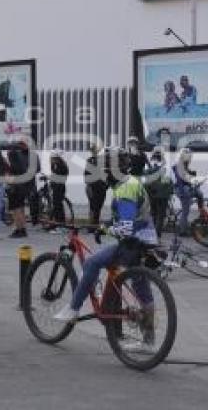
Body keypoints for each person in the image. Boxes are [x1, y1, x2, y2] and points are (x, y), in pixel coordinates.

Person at [55, 149, 158, 353]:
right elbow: (131, 215)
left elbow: (126, 227)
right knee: (142, 289)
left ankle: (73, 309)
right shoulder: (130, 182)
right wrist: (108, 224)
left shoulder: (124, 189)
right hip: (146, 240)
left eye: (105, 168)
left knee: (92, 263)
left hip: (131, 243)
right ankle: (148, 341)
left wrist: (108, 228)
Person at [173, 148, 204, 237]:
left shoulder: (184, 164)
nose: (190, 159)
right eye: (189, 157)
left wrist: (193, 175)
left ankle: (202, 215)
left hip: (187, 188)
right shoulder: (178, 165)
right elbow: (181, 179)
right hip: (182, 189)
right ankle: (182, 231)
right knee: (185, 211)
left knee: (200, 194)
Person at [143, 147, 174, 234]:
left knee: (153, 213)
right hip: (163, 194)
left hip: (151, 193)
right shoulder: (166, 166)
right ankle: (157, 234)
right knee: (161, 214)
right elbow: (171, 180)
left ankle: (151, 233)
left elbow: (145, 179)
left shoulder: (148, 165)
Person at [6, 143, 30, 238]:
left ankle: (19, 229)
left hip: (15, 189)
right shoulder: (22, 165)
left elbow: (11, 178)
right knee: (21, 208)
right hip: (22, 188)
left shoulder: (13, 167)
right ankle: (23, 228)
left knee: (16, 210)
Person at [84, 144, 108, 225]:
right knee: (93, 206)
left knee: (98, 206)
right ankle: (92, 224)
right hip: (93, 186)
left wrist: (106, 185)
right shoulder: (90, 160)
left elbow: (107, 174)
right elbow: (86, 174)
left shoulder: (103, 161)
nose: (94, 152)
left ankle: (94, 223)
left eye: (95, 150)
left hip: (101, 186)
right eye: (92, 151)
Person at [47, 150, 70, 227]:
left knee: (58, 206)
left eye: (51, 158)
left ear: (55, 158)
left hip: (59, 187)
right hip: (58, 186)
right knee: (57, 205)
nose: (50, 159)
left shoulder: (60, 165)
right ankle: (57, 223)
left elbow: (58, 176)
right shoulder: (57, 164)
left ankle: (60, 224)